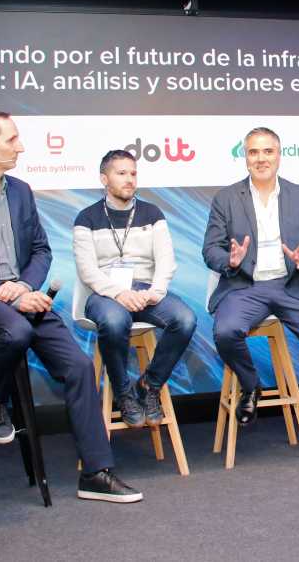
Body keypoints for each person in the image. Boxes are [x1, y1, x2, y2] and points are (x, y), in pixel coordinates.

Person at [0, 110, 140, 503]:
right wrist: (8, 291)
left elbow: (42, 249)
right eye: (12, 140)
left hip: (27, 298)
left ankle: (96, 473)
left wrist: (25, 285)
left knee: (79, 367)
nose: (21, 146)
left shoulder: (22, 191)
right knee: (18, 331)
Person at [202, 127, 299, 481]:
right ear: (245, 156)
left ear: (279, 155)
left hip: (293, 286)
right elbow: (209, 250)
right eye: (254, 152)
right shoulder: (226, 198)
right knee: (226, 331)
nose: (261, 159)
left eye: (268, 152)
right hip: (245, 286)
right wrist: (229, 260)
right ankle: (251, 383)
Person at [73, 149, 196, 429]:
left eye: (133, 173)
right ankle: (123, 392)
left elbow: (166, 260)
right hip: (105, 292)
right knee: (116, 321)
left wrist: (156, 291)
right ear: (105, 178)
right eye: (121, 173)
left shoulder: (152, 213)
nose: (129, 179)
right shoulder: (86, 217)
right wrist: (118, 293)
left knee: (185, 320)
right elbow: (87, 270)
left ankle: (149, 385)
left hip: (145, 289)